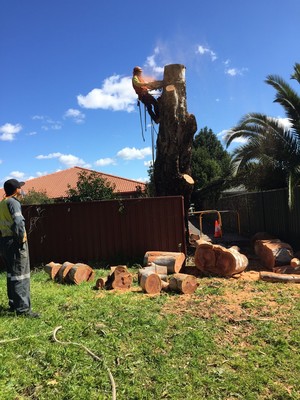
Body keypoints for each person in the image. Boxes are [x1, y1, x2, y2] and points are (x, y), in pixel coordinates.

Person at [0, 179, 39, 318]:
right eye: (20, 188)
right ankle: (23, 310)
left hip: (4, 242)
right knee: (21, 275)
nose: (21, 190)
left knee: (12, 275)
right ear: (16, 189)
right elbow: (18, 222)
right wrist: (21, 240)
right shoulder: (13, 202)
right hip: (15, 242)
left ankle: (13, 304)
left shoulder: (2, 203)